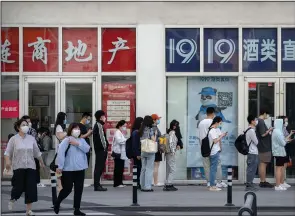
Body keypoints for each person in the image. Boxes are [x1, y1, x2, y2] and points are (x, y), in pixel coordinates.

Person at [4, 118, 45, 216]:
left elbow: (36, 152)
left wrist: (42, 163)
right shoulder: (14, 139)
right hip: (18, 167)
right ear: (18, 127)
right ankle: (13, 198)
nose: (26, 126)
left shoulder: (31, 139)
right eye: (23, 124)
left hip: (31, 167)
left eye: (26, 124)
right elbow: (7, 152)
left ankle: (28, 211)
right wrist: (7, 162)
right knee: (18, 187)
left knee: (31, 188)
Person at [54, 123, 90, 216]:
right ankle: (57, 202)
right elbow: (61, 153)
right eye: (75, 128)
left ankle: (76, 209)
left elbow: (87, 149)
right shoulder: (66, 140)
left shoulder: (81, 140)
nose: (77, 130)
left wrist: (77, 144)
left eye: (78, 129)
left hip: (80, 169)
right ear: (71, 130)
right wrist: (60, 167)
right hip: (68, 169)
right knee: (67, 189)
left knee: (79, 189)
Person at [198, 107, 227, 188]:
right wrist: (220, 147)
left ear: (206, 113)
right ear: (213, 113)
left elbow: (200, 136)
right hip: (213, 147)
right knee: (217, 164)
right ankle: (218, 181)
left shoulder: (201, 123)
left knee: (206, 165)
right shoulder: (213, 122)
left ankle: (209, 181)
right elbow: (218, 134)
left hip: (204, 147)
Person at [22, 115, 45, 188]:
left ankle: (35, 182)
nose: (29, 123)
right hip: (28, 152)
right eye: (28, 121)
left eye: (30, 121)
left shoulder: (31, 130)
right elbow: (35, 141)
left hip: (31, 152)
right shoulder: (29, 130)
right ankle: (34, 182)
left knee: (34, 167)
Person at [208, 116, 227, 192]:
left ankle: (213, 184)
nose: (220, 124)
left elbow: (218, 140)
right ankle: (212, 185)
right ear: (216, 122)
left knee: (214, 168)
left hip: (216, 151)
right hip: (213, 152)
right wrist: (222, 136)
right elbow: (215, 141)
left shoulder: (216, 129)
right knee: (213, 169)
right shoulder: (212, 130)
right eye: (220, 123)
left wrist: (220, 147)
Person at [272, 119, 291, 191]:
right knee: (279, 169)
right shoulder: (278, 132)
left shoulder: (275, 131)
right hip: (279, 152)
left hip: (278, 152)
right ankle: (278, 185)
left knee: (279, 168)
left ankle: (279, 184)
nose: (284, 124)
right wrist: (286, 140)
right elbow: (283, 143)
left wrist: (285, 140)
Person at [256, 109, 274, 188]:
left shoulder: (258, 121)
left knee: (262, 164)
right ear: (264, 113)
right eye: (267, 114)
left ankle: (262, 180)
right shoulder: (261, 122)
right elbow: (263, 134)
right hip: (264, 146)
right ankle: (263, 181)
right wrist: (269, 130)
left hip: (262, 146)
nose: (268, 116)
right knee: (263, 164)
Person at [139, 115, 157, 192]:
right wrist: (155, 134)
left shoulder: (141, 129)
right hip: (150, 150)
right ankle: (147, 186)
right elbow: (153, 139)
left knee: (143, 169)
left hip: (143, 150)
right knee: (149, 169)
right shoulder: (150, 129)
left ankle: (142, 185)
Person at [93, 110, 109, 191]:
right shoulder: (99, 125)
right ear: (101, 117)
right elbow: (102, 139)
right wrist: (105, 147)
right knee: (99, 167)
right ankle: (97, 185)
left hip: (100, 150)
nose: (105, 118)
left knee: (99, 167)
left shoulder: (98, 125)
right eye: (104, 116)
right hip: (100, 150)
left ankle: (97, 184)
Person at [278, 116, 294, 188]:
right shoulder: (280, 129)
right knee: (282, 166)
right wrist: (290, 135)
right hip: (283, 147)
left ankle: (282, 181)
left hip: (286, 146)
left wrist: (290, 136)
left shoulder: (284, 128)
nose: (286, 123)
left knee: (285, 165)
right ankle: (280, 182)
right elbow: (284, 139)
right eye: (285, 121)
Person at [163, 120, 180, 192]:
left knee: (169, 168)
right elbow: (171, 143)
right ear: (174, 126)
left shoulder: (168, 132)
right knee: (173, 168)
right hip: (170, 153)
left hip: (167, 152)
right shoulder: (172, 133)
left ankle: (168, 183)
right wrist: (173, 151)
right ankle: (169, 184)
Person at [54, 112, 68, 192]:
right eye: (65, 118)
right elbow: (60, 136)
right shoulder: (59, 127)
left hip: (62, 149)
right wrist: (67, 132)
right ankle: (59, 185)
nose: (66, 120)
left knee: (61, 167)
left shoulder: (61, 127)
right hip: (60, 150)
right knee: (59, 167)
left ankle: (62, 184)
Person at [245, 115, 259, 191]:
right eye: (255, 120)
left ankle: (250, 183)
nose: (256, 121)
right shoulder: (251, 131)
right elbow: (256, 142)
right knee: (251, 169)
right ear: (252, 121)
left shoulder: (248, 129)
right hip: (252, 152)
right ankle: (249, 185)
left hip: (251, 152)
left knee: (251, 169)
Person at [112, 120, 128, 188]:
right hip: (117, 153)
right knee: (118, 168)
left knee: (121, 168)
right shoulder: (117, 132)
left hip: (121, 153)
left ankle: (120, 182)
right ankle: (117, 183)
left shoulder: (120, 133)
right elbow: (119, 141)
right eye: (124, 126)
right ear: (120, 126)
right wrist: (126, 140)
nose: (125, 127)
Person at [78, 112, 93, 187]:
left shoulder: (84, 126)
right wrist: (88, 133)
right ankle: (80, 182)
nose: (89, 121)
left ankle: (81, 181)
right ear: (84, 118)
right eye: (88, 119)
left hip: (85, 147)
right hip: (83, 148)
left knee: (85, 164)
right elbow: (80, 136)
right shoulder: (80, 126)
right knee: (82, 164)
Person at [131, 117, 144, 189]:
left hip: (137, 153)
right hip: (137, 154)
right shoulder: (135, 132)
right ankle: (137, 183)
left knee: (139, 168)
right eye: (141, 122)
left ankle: (137, 183)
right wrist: (137, 154)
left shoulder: (136, 131)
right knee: (138, 169)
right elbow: (135, 145)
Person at [151, 114, 162, 187]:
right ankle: (155, 182)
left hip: (155, 148)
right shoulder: (154, 128)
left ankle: (154, 181)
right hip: (156, 148)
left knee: (155, 166)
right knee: (156, 166)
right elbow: (155, 139)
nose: (158, 120)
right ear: (154, 120)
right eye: (157, 119)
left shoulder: (153, 127)